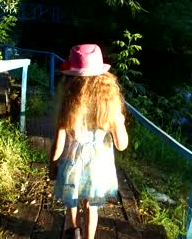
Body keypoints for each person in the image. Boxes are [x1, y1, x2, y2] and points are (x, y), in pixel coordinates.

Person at [49, 44, 128, 239]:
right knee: (91, 206)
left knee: (71, 198)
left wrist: (52, 164)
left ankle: (74, 230)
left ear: (71, 80)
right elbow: (121, 145)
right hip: (98, 167)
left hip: (72, 163)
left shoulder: (67, 107)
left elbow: (58, 145)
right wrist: (120, 123)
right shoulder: (110, 108)